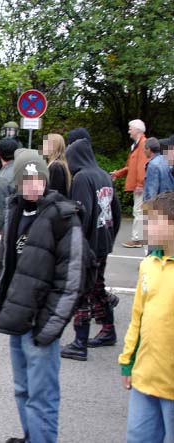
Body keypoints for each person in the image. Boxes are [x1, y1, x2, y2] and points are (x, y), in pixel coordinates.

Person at [0, 149, 86, 443]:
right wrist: (1, 310)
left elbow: (72, 280)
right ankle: (32, 437)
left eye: (38, 178)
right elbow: (8, 268)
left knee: (42, 397)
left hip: (41, 326)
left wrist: (49, 328)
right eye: (26, 179)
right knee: (23, 389)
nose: (33, 185)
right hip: (17, 319)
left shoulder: (63, 217)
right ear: (17, 182)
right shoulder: (14, 210)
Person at [118, 192, 174, 443]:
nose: (147, 227)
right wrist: (127, 361)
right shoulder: (148, 265)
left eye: (154, 221)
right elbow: (137, 318)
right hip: (144, 378)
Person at [61, 128, 121, 361]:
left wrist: (75, 245)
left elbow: (80, 213)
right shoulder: (104, 175)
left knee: (81, 292)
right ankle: (108, 329)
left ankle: (79, 342)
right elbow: (115, 211)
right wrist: (109, 237)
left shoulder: (82, 178)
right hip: (103, 240)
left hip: (87, 244)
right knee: (97, 287)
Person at [110, 119, 148, 248]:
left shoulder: (143, 144)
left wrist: (140, 184)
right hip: (139, 185)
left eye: (130, 128)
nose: (128, 131)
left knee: (139, 211)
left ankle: (137, 239)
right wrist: (117, 174)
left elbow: (142, 166)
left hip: (141, 186)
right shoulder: (137, 145)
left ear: (137, 130)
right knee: (139, 211)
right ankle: (139, 238)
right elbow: (130, 167)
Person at [143, 137, 174, 201]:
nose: (143, 151)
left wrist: (149, 208)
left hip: (160, 204)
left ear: (149, 149)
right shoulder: (168, 160)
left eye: (144, 149)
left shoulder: (152, 165)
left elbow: (151, 191)